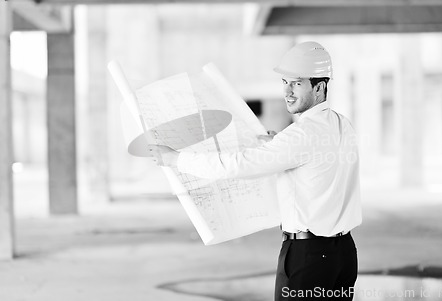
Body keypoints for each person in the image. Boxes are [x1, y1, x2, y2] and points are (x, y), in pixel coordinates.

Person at [149, 41, 362, 300]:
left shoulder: (300, 135)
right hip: (344, 256)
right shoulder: (342, 125)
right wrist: (277, 145)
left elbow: (238, 165)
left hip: (309, 259)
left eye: (297, 83)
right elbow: (319, 160)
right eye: (285, 82)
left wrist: (176, 159)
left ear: (319, 86)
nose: (288, 91)